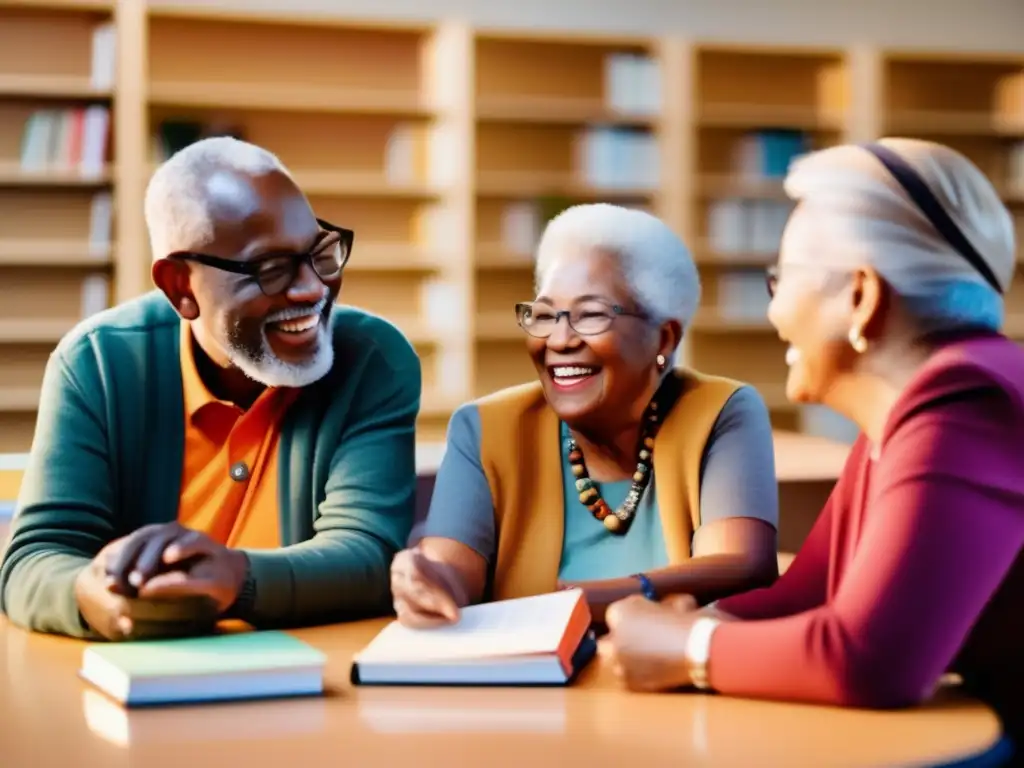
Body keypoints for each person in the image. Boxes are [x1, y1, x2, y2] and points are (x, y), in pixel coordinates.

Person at [599, 139, 1024, 751]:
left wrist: (686, 648)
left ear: (861, 296)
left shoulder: (963, 403)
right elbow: (810, 592)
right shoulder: (912, 407)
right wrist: (688, 624)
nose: (775, 314)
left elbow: (875, 659)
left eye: (783, 281)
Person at [0, 137, 421, 641]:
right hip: (136, 679)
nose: (312, 288)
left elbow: (371, 554)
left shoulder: (371, 359)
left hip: (310, 680)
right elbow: (33, 559)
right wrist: (86, 594)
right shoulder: (97, 363)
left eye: (320, 254)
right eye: (270, 268)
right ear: (181, 286)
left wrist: (236, 580)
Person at [390, 203, 780, 627]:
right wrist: (429, 580)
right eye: (543, 316)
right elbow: (453, 571)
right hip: (526, 689)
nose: (559, 340)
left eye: (590, 315)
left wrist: (604, 598)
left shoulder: (720, 412)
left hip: (672, 683)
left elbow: (741, 564)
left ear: (663, 338)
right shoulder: (485, 429)